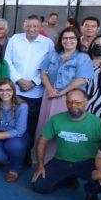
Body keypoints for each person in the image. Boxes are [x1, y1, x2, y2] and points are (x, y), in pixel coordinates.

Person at [31, 88, 101, 200]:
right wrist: (40, 166)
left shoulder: (98, 123)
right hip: (61, 160)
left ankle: (91, 190)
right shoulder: (56, 119)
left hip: (88, 163)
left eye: (78, 102)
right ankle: (68, 179)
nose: (73, 105)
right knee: (39, 186)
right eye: (70, 102)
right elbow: (42, 141)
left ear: (86, 102)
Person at [36, 26, 93, 160]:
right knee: (46, 126)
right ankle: (42, 159)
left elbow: (82, 79)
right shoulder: (53, 55)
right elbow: (43, 72)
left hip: (70, 97)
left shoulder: (83, 57)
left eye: (72, 38)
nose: (68, 41)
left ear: (77, 40)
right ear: (61, 40)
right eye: (65, 38)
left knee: (65, 128)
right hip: (50, 95)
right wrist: (49, 88)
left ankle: (62, 159)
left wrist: (62, 92)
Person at [4, 15, 54, 152]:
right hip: (15, 90)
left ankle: (26, 153)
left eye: (35, 26)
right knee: (11, 122)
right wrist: (18, 80)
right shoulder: (15, 39)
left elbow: (50, 66)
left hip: (35, 93)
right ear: (24, 26)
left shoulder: (48, 43)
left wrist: (34, 82)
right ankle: (9, 151)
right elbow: (7, 61)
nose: (32, 29)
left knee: (31, 125)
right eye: (29, 26)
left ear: (40, 27)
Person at [0, 79, 29, 181]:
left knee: (13, 146)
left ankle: (14, 169)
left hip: (16, 135)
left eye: (8, 90)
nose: (5, 93)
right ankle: (2, 157)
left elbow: (19, 131)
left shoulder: (22, 106)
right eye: (1, 90)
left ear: (13, 91)